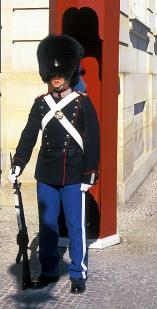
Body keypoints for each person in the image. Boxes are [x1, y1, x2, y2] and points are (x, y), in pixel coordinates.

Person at [8, 34, 100, 294]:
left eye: (60, 73)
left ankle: (77, 273)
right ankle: (48, 271)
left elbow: (93, 140)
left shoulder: (83, 103)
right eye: (52, 73)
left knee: (75, 226)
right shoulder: (40, 104)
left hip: (73, 174)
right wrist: (18, 163)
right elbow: (29, 135)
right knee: (47, 226)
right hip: (46, 173)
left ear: (69, 74)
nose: (56, 77)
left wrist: (89, 175)